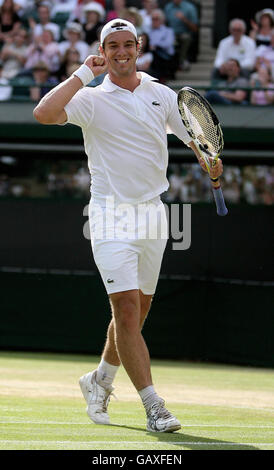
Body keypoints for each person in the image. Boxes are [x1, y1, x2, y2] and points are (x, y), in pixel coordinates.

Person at [33, 18, 223, 433]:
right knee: (125, 308)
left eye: (127, 44)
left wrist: (207, 157)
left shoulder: (162, 94)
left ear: (138, 47)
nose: (121, 52)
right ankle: (154, 406)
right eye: (112, 45)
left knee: (135, 316)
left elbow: (194, 135)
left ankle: (99, 379)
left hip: (154, 215)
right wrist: (85, 72)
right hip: (108, 214)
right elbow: (44, 112)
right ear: (103, 50)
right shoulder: (90, 99)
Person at [164, 0, 198, 71]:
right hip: (170, 34)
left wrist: (184, 19)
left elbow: (195, 28)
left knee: (185, 38)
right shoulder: (168, 7)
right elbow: (164, 23)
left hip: (184, 33)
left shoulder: (189, 8)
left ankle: (182, 61)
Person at [145, 8, 176, 81]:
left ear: (162, 20)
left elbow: (168, 44)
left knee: (154, 54)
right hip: (153, 54)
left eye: (156, 19)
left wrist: (155, 45)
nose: (154, 21)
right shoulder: (149, 31)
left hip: (165, 56)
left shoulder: (168, 31)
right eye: (153, 19)